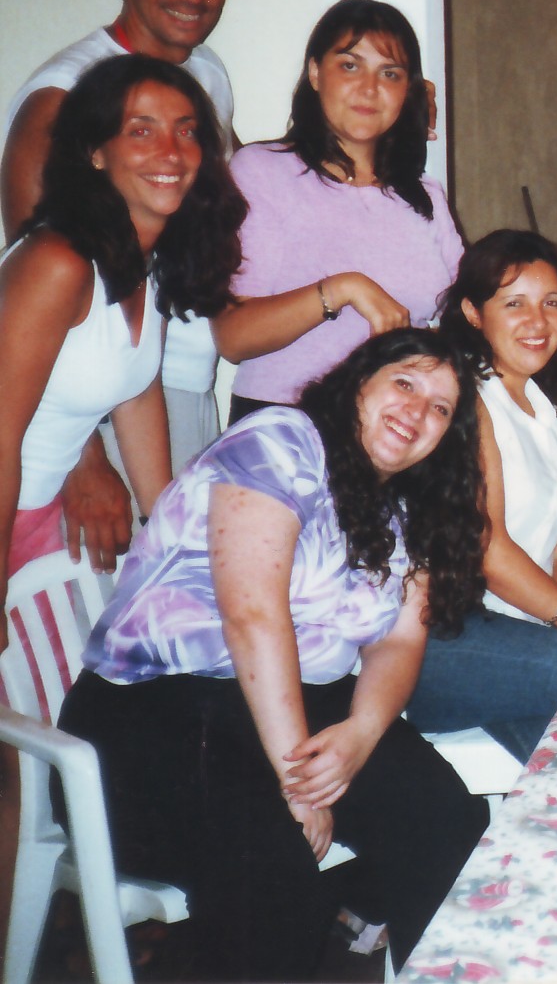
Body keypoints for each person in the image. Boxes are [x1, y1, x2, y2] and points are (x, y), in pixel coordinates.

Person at [57, 327, 491, 980]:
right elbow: (252, 613)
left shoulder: (411, 505)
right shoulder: (281, 441)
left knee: (446, 818)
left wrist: (362, 732)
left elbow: (400, 639)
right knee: (275, 873)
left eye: (440, 407)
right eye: (404, 382)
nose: (416, 410)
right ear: (359, 382)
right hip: (153, 715)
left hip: (287, 702)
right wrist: (298, 784)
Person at [1, 0, 240, 570]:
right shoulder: (63, 94)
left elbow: (238, 185)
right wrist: (87, 459)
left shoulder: (206, 74)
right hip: (74, 434)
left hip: (164, 384)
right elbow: (36, 313)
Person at [0, 56, 242, 611]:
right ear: (96, 151)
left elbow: (136, 390)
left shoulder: (145, 262)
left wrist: (167, 536)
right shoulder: (57, 262)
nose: (171, 151)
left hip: (37, 517)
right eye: (141, 131)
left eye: (186, 131)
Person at [407, 230, 557, 761]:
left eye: (551, 303)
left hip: (521, 637)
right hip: (442, 638)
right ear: (473, 312)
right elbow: (486, 547)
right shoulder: (467, 400)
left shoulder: (546, 404)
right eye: (514, 303)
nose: (537, 321)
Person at [214, 0, 463, 420]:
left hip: (398, 432)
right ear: (315, 72)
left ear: (408, 90)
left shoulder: (425, 195)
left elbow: (468, 311)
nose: (369, 88)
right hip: (288, 427)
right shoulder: (263, 171)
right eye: (350, 65)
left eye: (390, 73)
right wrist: (343, 289)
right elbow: (233, 337)